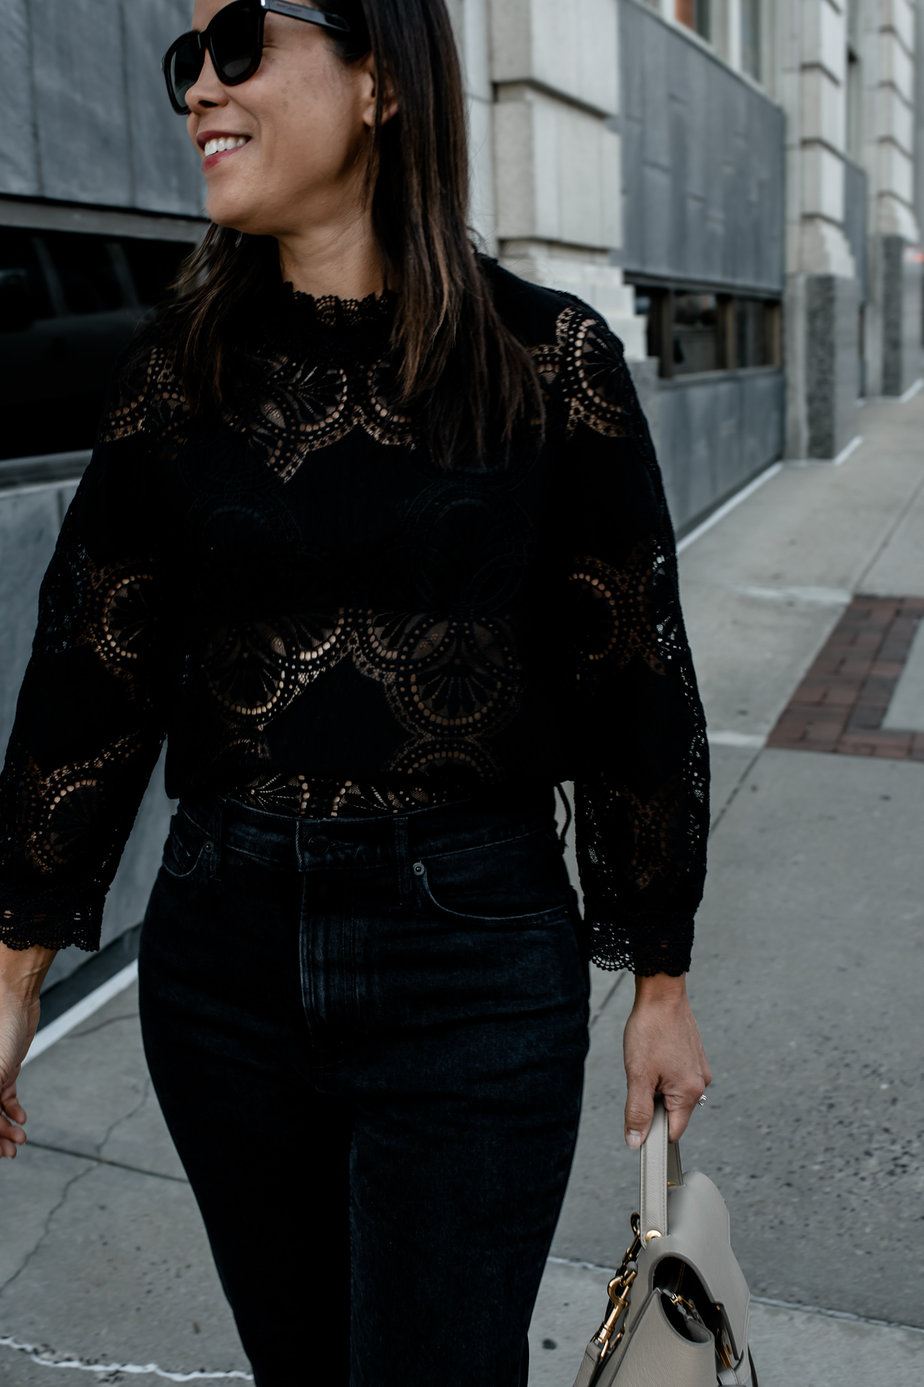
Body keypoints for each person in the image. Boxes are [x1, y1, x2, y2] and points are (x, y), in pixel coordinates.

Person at [0, 1, 712, 1382]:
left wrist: (661, 978)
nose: (198, 90)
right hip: (223, 958)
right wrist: (16, 967)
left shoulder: (550, 360)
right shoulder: (179, 368)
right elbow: (93, 670)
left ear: (381, 81)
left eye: (239, 44)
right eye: (186, 60)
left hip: (472, 960)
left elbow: (632, 679)